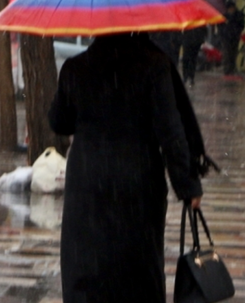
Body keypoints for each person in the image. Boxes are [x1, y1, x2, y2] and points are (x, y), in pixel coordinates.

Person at [48, 33, 204, 303]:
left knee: (86, 266)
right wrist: (187, 185)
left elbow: (59, 122)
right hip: (138, 180)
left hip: (87, 181)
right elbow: (170, 131)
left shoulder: (75, 67)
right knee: (138, 270)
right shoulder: (154, 65)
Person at [219, 0, 245, 76]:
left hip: (235, 36)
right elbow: (220, 26)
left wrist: (237, 31)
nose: (230, 10)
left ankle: (232, 68)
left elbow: (241, 24)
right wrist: (223, 32)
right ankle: (227, 69)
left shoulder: (239, 15)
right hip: (226, 37)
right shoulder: (224, 16)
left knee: (233, 53)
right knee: (227, 53)